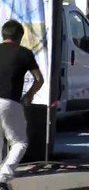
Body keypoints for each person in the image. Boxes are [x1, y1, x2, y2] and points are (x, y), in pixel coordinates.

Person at [0, 20, 44, 189]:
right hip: (10, 101)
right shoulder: (24, 53)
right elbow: (39, 79)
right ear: (20, 36)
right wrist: (29, 95)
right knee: (19, 142)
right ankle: (3, 177)